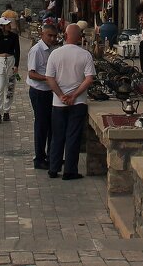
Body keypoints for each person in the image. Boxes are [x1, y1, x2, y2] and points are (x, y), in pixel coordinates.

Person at [45, 24, 95, 180]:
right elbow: (89, 79)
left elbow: (49, 78)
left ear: (65, 36)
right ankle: (70, 170)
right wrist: (74, 95)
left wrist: (60, 95)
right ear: (80, 37)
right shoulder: (85, 55)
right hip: (78, 102)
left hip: (58, 103)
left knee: (57, 136)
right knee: (73, 136)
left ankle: (53, 168)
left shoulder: (55, 54)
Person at [27, 22, 58, 170]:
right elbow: (31, 74)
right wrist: (48, 78)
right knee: (41, 125)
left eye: (54, 36)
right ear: (42, 35)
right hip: (39, 91)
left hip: (50, 91)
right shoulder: (37, 50)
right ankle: (39, 158)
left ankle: (52, 156)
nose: (52, 39)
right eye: (49, 36)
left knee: (52, 125)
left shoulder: (54, 49)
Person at [0, 17, 21, 123]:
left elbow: (17, 51)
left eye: (9, 23)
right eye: (6, 24)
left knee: (10, 87)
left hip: (11, 61)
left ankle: (7, 111)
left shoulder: (14, 36)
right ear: (1, 26)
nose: (9, 25)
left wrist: (16, 65)